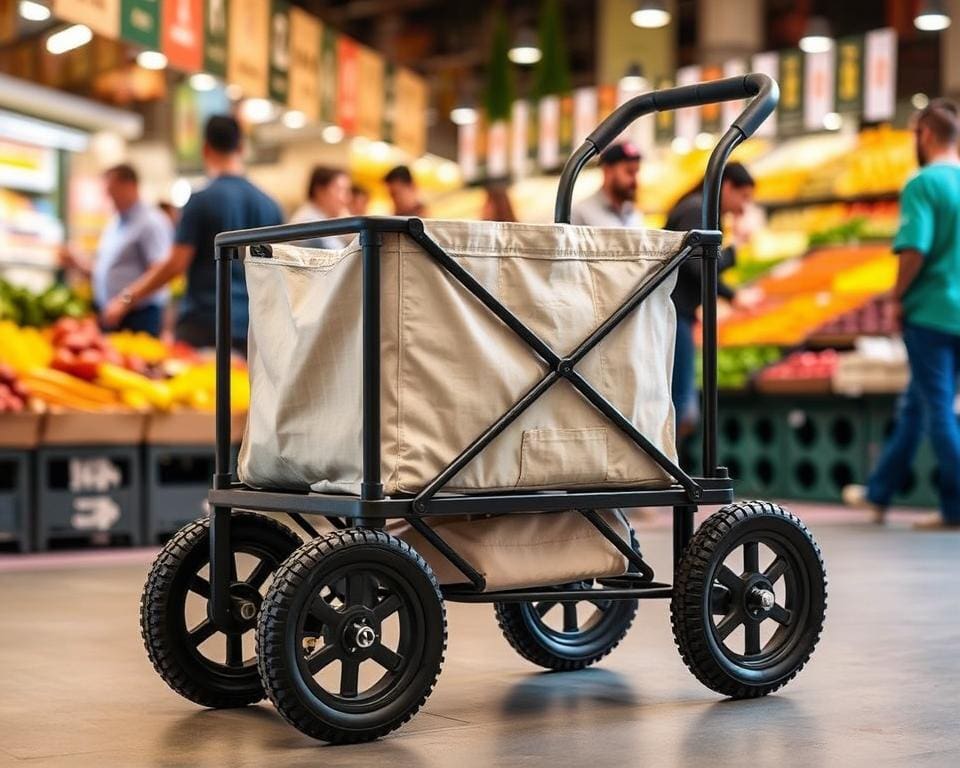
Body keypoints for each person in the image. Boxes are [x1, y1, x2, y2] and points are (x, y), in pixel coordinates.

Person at [103, 115, 283, 351]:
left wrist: (126, 298)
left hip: (204, 325)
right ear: (241, 147)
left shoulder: (200, 202)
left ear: (205, 149)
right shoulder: (269, 205)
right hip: (254, 327)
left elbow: (176, 264)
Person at [886, 98, 960, 529]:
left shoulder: (923, 183)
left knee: (938, 411)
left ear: (926, 135)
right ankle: (881, 492)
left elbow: (916, 247)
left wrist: (897, 297)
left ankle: (957, 506)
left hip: (931, 312)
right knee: (922, 404)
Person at [664, 162, 758, 437]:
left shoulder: (701, 210)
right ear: (727, 186)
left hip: (680, 313)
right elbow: (700, 266)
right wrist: (736, 249)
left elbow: (702, 269)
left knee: (682, 402)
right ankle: (671, 471)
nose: (743, 207)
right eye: (743, 197)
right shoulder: (696, 210)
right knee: (683, 404)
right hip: (673, 313)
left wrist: (731, 294)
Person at [61, 163, 172, 336]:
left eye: (112, 189)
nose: (109, 196)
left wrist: (125, 300)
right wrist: (77, 264)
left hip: (140, 317)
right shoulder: (114, 224)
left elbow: (161, 271)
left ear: (131, 186)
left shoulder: (151, 223)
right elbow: (109, 270)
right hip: (112, 315)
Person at [570, 141, 641, 227]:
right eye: (629, 172)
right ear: (608, 171)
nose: (635, 181)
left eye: (636, 172)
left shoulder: (634, 214)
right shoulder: (581, 214)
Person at [289, 166, 352, 249]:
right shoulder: (309, 222)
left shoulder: (323, 219)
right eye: (340, 190)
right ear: (320, 191)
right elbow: (339, 255)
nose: (347, 199)